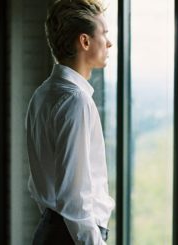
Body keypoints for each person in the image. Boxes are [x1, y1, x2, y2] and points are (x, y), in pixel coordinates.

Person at [25, 0, 114, 244]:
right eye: (104, 33)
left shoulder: (42, 94)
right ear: (85, 41)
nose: (109, 42)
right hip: (71, 237)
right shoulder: (76, 101)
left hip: (54, 230)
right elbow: (75, 198)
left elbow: (37, 184)